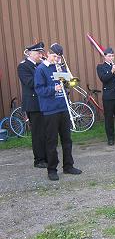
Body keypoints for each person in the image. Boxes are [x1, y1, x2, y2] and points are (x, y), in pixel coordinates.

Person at [34, 43, 81, 181]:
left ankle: (68, 166)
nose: (56, 59)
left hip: (63, 108)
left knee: (67, 139)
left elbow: (70, 85)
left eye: (58, 57)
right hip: (50, 110)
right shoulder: (41, 69)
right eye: (54, 56)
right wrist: (54, 89)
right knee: (51, 141)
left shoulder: (60, 67)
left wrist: (69, 82)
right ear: (47, 54)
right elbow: (39, 90)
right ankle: (52, 169)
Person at [17, 42, 48, 168]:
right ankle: (39, 160)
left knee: (45, 132)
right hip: (33, 104)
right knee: (38, 133)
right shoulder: (23, 66)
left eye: (41, 53)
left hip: (43, 103)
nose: (40, 55)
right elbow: (29, 82)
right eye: (37, 53)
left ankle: (46, 156)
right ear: (29, 53)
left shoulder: (39, 65)